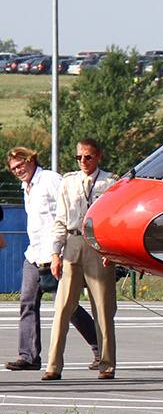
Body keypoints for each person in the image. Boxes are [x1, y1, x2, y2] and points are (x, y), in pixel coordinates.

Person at [5, 147, 99, 371]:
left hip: (57, 252)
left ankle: (100, 348)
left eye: (20, 166)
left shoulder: (49, 180)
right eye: (13, 169)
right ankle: (28, 356)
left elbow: (71, 206)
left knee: (68, 305)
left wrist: (66, 247)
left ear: (31, 160)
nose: (18, 171)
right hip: (35, 253)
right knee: (27, 302)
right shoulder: (25, 187)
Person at [43, 139, 118, 380]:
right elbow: (60, 219)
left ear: (98, 157)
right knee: (62, 308)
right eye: (79, 157)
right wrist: (55, 253)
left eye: (88, 157)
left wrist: (112, 251)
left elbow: (115, 219)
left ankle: (107, 365)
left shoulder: (110, 182)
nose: (83, 161)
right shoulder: (69, 181)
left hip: (98, 245)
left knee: (103, 310)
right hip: (73, 244)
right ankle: (53, 366)